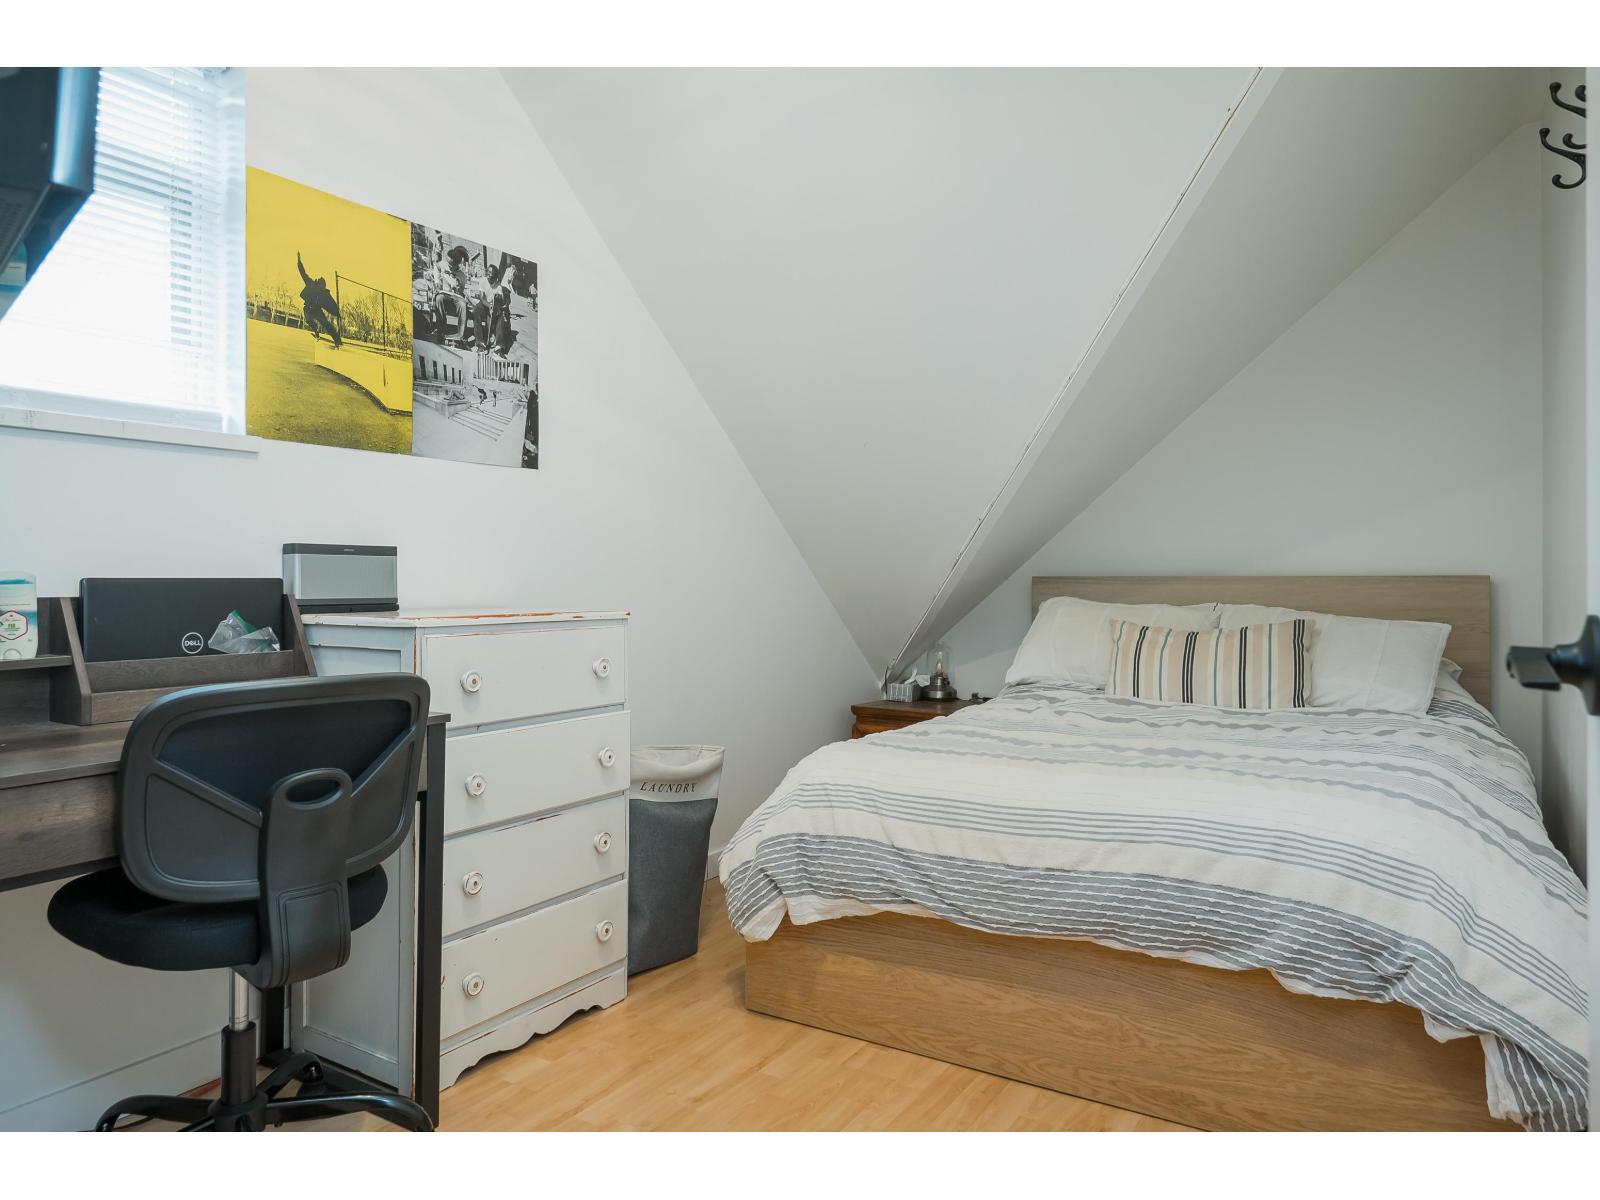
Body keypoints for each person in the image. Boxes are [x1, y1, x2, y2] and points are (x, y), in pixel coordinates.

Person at [297, 252, 343, 348]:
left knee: (326, 324)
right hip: (308, 308)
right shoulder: (310, 283)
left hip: (317, 311)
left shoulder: (324, 294)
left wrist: (337, 313)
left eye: (322, 289)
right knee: (309, 320)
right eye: (320, 288)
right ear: (318, 285)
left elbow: (332, 304)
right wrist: (299, 261)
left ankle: (337, 340)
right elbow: (303, 273)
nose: (320, 290)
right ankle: (316, 329)